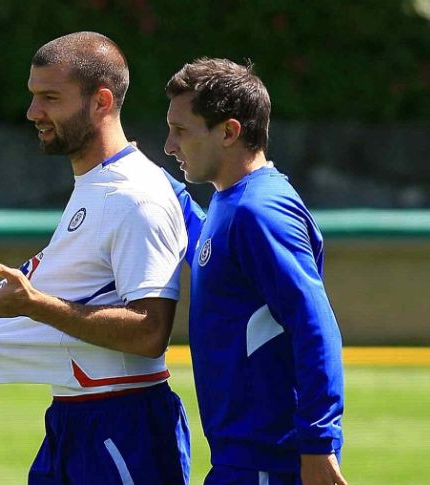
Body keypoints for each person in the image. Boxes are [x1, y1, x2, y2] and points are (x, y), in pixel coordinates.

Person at [0, 32, 191, 484]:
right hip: (73, 417)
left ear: (100, 101)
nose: (33, 113)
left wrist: (34, 305)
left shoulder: (135, 196)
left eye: (50, 98)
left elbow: (150, 331)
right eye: (34, 97)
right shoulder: (97, 184)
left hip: (123, 424)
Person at [162, 57, 348, 485]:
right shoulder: (231, 202)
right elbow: (206, 245)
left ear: (229, 132)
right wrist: (131, 167)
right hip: (243, 461)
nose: (169, 146)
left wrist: (319, 443)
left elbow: (314, 325)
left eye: (181, 130)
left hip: (268, 464)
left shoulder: (258, 211)